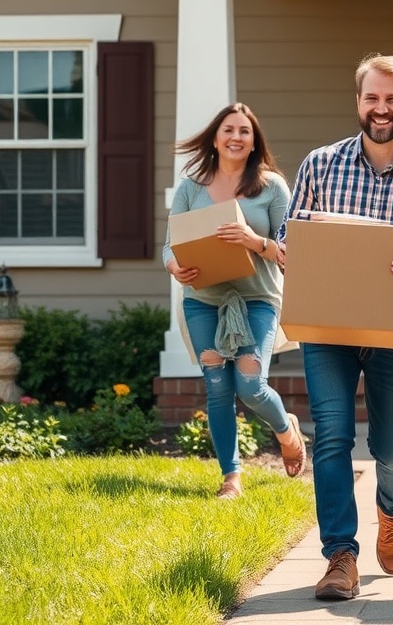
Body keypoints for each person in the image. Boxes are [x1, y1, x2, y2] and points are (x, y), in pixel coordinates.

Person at [277, 54, 393, 601]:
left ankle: (392, 509)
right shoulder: (319, 165)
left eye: (391, 99)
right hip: (329, 327)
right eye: (371, 98)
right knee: (332, 438)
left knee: (391, 447)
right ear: (358, 102)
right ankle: (340, 555)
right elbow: (297, 238)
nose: (380, 109)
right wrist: (295, 256)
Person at [163, 102, 306, 500]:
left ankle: (285, 430)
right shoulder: (192, 186)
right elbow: (169, 246)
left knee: (249, 384)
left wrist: (253, 240)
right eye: (229, 129)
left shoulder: (272, 187)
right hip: (203, 300)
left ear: (254, 141)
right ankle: (231, 477)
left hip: (258, 299)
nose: (236, 137)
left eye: (244, 131)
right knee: (217, 388)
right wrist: (175, 266)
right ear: (215, 137)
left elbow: (290, 251)